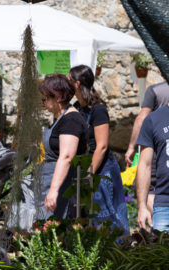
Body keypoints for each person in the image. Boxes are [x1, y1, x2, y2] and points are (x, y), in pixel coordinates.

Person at [68, 65, 129, 233]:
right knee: (83, 217)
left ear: (77, 84)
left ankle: (116, 250)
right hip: (83, 167)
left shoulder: (98, 109)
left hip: (101, 170)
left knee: (107, 216)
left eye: (69, 81)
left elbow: (101, 146)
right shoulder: (76, 108)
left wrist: (89, 174)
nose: (67, 84)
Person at [37, 74, 88, 220]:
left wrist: (53, 190)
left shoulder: (71, 120)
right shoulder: (60, 118)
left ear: (58, 97)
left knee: (56, 231)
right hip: (50, 183)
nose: (43, 104)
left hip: (64, 188)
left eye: (45, 99)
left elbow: (66, 157)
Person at [125, 81, 169, 214]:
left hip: (159, 147)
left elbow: (141, 118)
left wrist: (132, 147)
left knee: (151, 189)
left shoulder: (156, 90)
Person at [135, 102, 169, 232]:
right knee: (162, 251)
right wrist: (142, 207)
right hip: (165, 205)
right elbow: (144, 164)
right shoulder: (153, 119)